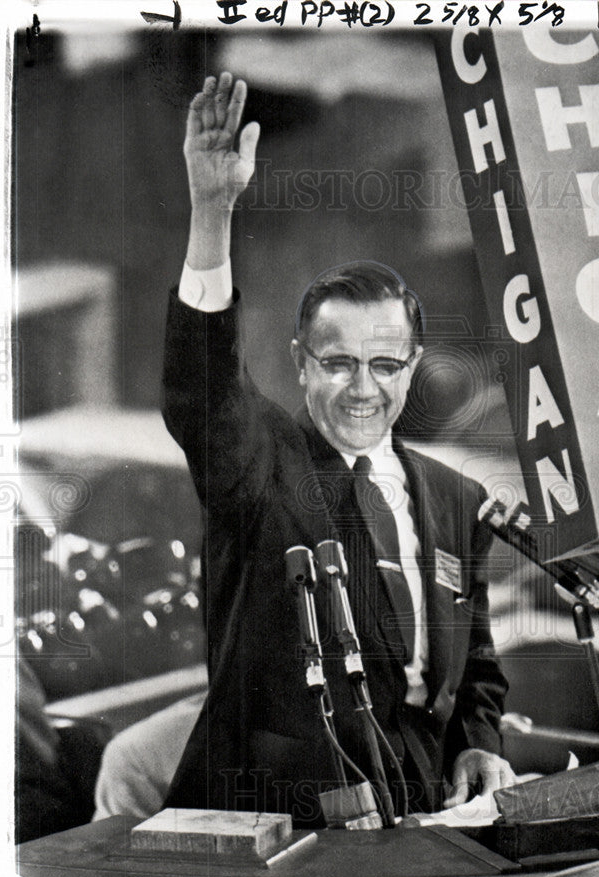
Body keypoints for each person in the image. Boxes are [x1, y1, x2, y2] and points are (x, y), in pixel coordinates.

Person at [160, 72, 515, 825]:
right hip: (279, 820)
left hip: (421, 812)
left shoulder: (456, 500)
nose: (363, 389)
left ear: (413, 367)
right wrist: (213, 213)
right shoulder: (260, 467)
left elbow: (475, 664)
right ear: (299, 363)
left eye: (385, 365)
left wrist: (477, 743)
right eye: (338, 363)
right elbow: (201, 392)